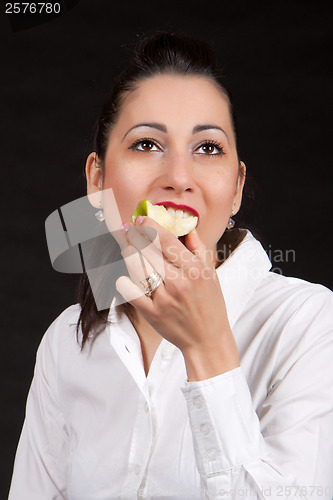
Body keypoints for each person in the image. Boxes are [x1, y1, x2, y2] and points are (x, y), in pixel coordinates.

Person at [8, 32, 333, 500]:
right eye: (146, 145)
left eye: (207, 148)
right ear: (96, 179)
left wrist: (208, 348)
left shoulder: (307, 324)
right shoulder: (66, 342)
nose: (179, 178)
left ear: (236, 187)